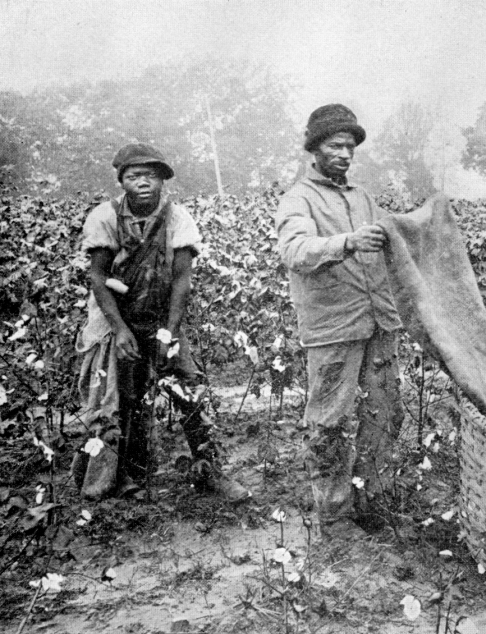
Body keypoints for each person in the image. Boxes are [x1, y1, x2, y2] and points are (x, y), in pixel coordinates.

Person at [72, 143, 247, 502]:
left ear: (163, 181)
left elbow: (182, 280)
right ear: (122, 181)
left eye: (150, 176)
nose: (143, 183)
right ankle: (122, 476)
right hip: (114, 317)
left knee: (189, 388)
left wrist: (170, 333)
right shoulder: (105, 217)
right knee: (121, 396)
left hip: (161, 315)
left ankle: (209, 470)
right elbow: (98, 278)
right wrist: (120, 330)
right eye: (134, 176)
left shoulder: (177, 219)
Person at [275, 104, 404, 539]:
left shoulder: (363, 198)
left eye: (350, 147)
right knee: (329, 421)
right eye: (336, 145)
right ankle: (334, 515)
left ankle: (373, 499)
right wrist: (346, 242)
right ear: (315, 148)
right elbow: (295, 251)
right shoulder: (299, 198)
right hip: (333, 326)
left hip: (378, 321)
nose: (345, 154)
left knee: (384, 411)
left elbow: (393, 241)